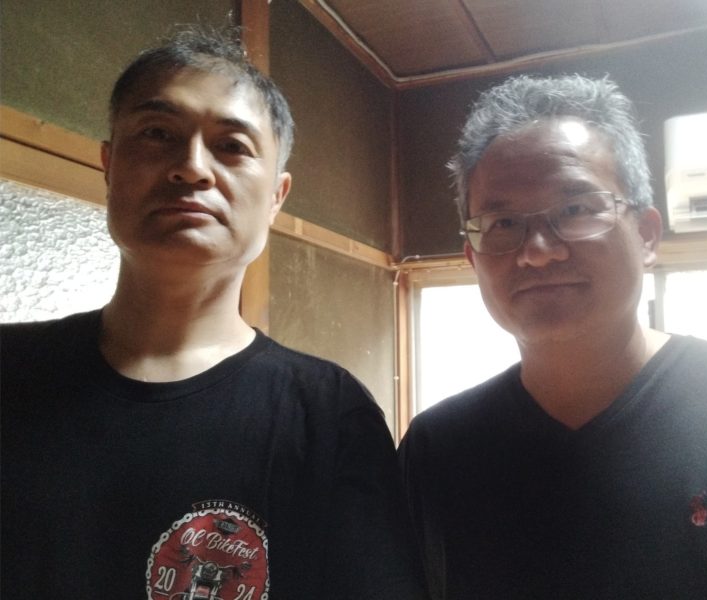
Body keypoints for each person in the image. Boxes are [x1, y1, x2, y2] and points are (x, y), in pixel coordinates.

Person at [1, 27, 425, 599]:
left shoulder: (331, 415)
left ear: (276, 196)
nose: (191, 168)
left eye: (232, 146)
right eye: (158, 133)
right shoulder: (11, 370)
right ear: (108, 165)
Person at [398, 74, 707, 599]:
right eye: (503, 223)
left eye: (575, 209)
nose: (538, 251)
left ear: (647, 235)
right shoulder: (437, 451)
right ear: (473, 258)